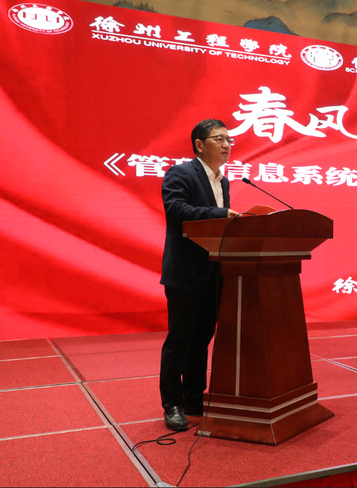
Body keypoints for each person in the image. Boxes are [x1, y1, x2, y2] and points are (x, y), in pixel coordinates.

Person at [159, 119, 240, 431]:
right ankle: (172, 404)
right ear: (199, 144)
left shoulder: (224, 181)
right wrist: (221, 214)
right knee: (180, 339)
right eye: (219, 139)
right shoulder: (180, 173)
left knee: (202, 339)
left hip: (214, 273)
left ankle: (194, 398)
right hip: (185, 272)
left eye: (229, 140)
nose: (227, 145)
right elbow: (176, 210)